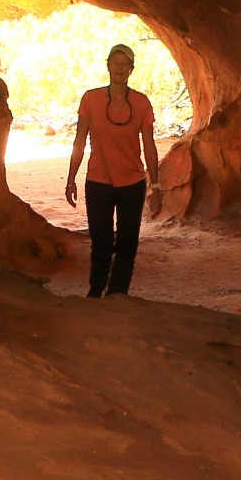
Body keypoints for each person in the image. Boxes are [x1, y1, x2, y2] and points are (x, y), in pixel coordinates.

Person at [63, 43, 157, 298]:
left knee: (128, 241)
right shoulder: (91, 99)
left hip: (132, 183)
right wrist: (71, 179)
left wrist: (156, 185)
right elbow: (80, 140)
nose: (119, 68)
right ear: (108, 66)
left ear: (132, 69)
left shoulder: (141, 103)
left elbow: (149, 146)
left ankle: (117, 293)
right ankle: (96, 290)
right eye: (115, 63)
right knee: (101, 239)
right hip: (98, 181)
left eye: (124, 64)